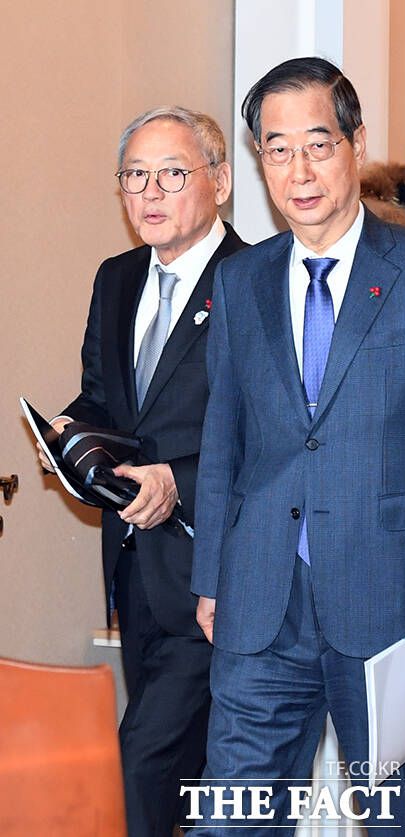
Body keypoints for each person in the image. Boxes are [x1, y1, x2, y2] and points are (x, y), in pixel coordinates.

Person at [189, 58, 405, 835]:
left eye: (318, 145)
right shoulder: (240, 282)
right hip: (261, 600)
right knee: (231, 819)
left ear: (355, 143)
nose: (299, 170)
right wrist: (211, 577)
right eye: (278, 149)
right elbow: (225, 434)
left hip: (395, 601)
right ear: (260, 160)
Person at [37, 106, 245, 836]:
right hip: (133, 566)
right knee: (179, 777)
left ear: (220, 182)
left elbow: (275, 434)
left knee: (139, 766)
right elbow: (104, 397)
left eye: (172, 174)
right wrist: (69, 433)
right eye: (134, 175)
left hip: (217, 573)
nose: (150, 193)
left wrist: (177, 479)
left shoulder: (256, 280)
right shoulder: (118, 277)